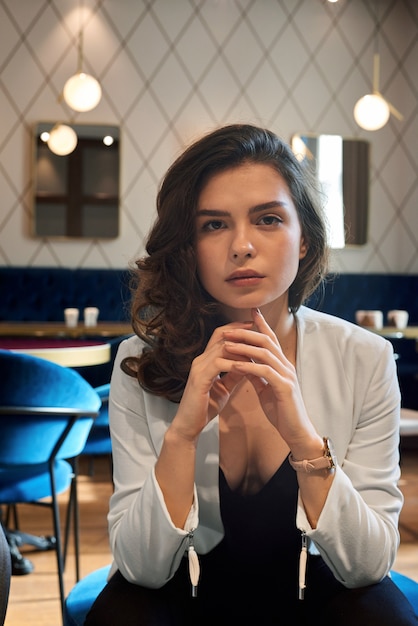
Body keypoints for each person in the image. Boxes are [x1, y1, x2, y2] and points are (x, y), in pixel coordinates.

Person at [85, 123, 417, 625]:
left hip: (323, 602)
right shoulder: (142, 364)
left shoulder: (364, 358)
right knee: (122, 612)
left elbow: (368, 564)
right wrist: (182, 435)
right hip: (186, 600)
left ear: (304, 239)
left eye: (267, 219)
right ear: (189, 248)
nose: (241, 246)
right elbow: (140, 566)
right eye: (213, 225)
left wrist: (304, 439)